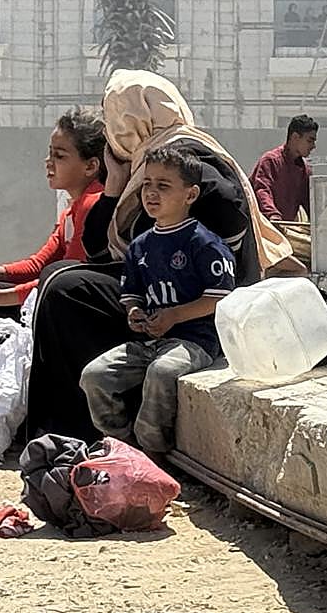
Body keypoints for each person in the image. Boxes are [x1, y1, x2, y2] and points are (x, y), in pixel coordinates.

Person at [25, 70, 300, 442]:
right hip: (154, 293)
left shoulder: (189, 165)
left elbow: (213, 260)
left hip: (191, 309)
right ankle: (67, 426)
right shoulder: (143, 163)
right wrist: (115, 187)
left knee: (68, 290)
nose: (112, 133)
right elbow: (98, 245)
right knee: (60, 276)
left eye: (116, 119)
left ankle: (85, 429)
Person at [80, 147, 236, 453]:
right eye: (146, 184)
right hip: (150, 342)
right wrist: (135, 312)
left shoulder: (203, 243)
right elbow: (132, 294)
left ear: (190, 195)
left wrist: (174, 316)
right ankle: (122, 444)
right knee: (94, 376)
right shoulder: (140, 246)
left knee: (162, 373)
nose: (151, 193)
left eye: (163, 186)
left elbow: (219, 297)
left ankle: (154, 451)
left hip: (195, 342)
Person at [0, 107, 106, 321]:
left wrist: (1, 297)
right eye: (50, 153)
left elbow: (65, 278)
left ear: (91, 166)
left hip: (87, 308)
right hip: (62, 290)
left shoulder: (93, 203)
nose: (48, 162)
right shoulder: (70, 210)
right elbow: (39, 265)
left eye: (59, 155)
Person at [249, 115, 317, 222]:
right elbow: (262, 190)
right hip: (263, 227)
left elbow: (310, 202)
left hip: (284, 228)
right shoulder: (270, 161)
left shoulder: (304, 170)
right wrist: (273, 215)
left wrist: (320, 220)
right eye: (310, 140)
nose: (313, 146)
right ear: (295, 137)